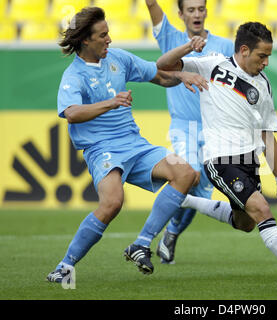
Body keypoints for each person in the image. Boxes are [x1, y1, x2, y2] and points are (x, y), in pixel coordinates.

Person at [46, 6, 209, 283]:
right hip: (102, 148)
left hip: (136, 145)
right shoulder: (74, 76)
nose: (109, 39)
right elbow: (72, 113)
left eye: (108, 33)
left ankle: (141, 244)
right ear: (86, 39)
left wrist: (182, 76)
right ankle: (64, 268)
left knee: (186, 174)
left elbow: (159, 75)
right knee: (112, 203)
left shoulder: (118, 59)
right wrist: (111, 102)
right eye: (103, 35)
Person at [156, 22, 277, 284]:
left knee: (245, 223)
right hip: (219, 160)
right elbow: (162, 65)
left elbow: (268, 135)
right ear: (244, 50)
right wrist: (189, 46)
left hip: (249, 162)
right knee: (262, 209)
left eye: (269, 56)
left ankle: (186, 200)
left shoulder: (264, 86)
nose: (266, 62)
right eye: (262, 56)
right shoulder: (212, 65)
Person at [143, 0, 234, 265]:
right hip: (184, 126)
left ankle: (171, 233)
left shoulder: (225, 46)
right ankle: (148, 236)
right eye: (191, 10)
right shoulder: (171, 37)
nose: (196, 14)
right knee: (189, 176)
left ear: (206, 12)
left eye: (201, 9)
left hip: (215, 129)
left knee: (199, 193)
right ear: (181, 14)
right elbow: (150, 4)